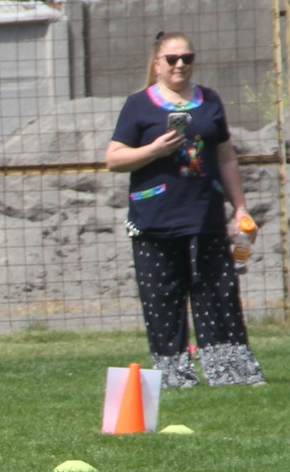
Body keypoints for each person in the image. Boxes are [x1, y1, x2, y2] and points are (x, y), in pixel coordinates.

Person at [104, 32, 265, 388]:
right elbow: (113, 159)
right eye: (172, 59)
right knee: (162, 299)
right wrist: (154, 150)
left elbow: (225, 156)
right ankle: (174, 376)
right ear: (157, 64)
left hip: (205, 215)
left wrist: (239, 207)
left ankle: (231, 373)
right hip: (155, 220)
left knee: (217, 293)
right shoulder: (138, 106)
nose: (180, 65)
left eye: (187, 58)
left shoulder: (210, 101)